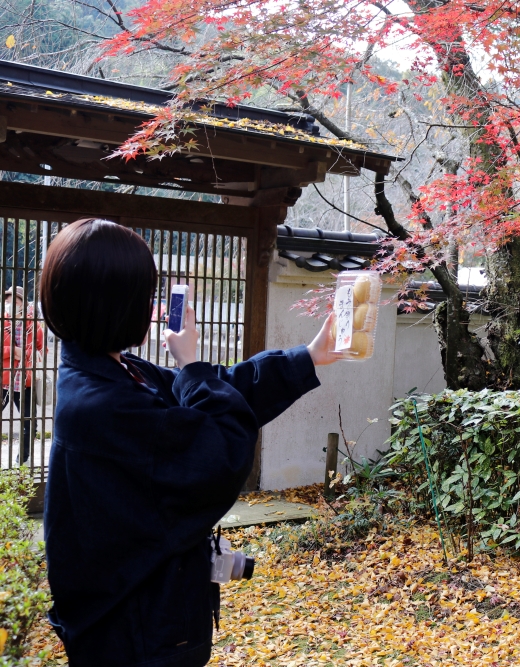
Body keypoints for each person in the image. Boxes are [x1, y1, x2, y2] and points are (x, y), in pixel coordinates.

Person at [42, 219, 339, 667]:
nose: (153, 307)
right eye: (145, 296)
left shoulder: (113, 373)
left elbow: (220, 391)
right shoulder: (101, 405)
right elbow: (217, 446)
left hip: (146, 620)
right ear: (114, 303)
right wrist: (193, 362)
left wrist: (308, 357)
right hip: (134, 634)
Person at [2, 285, 45, 465]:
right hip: (3, 379)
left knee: (30, 422)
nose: (11, 304)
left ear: (23, 304)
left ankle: (23, 460)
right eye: (8, 301)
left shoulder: (33, 324)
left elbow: (41, 350)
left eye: (15, 301)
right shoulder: (2, 321)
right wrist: (15, 350)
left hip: (25, 380)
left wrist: (25, 354)